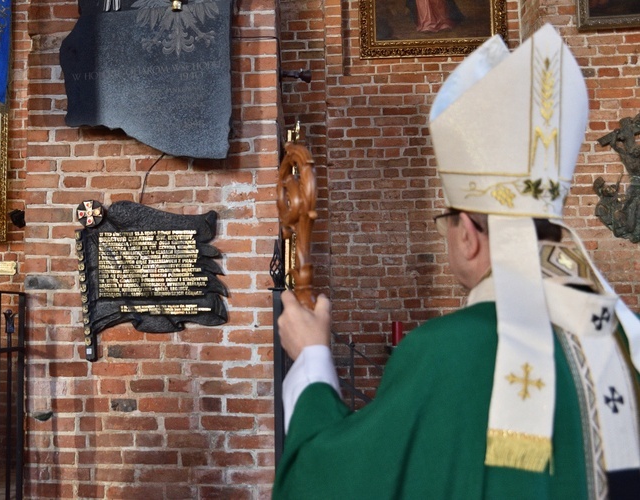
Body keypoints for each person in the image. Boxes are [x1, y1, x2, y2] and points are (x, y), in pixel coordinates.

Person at [272, 24, 640, 499]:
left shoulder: (446, 354)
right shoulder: (620, 342)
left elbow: (328, 481)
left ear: (467, 233)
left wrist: (311, 358)